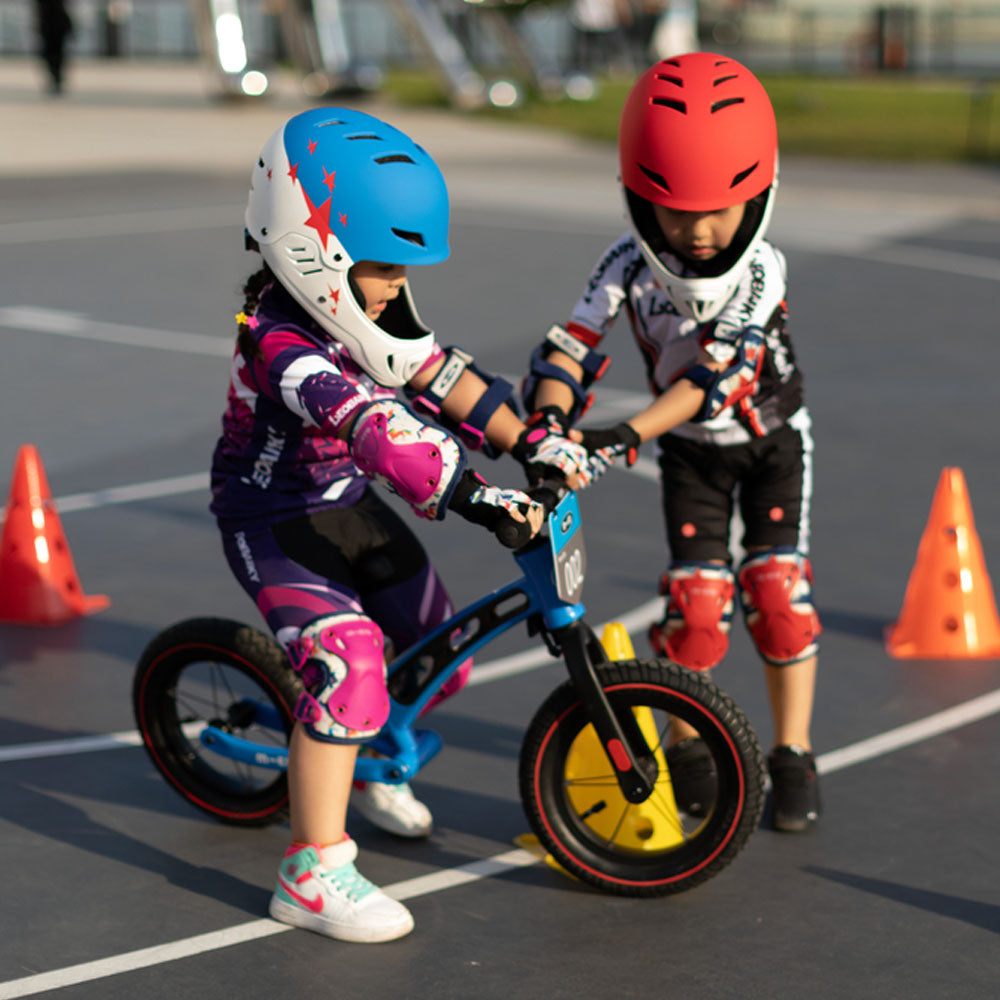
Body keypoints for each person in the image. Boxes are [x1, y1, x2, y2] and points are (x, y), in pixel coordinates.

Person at [210, 108, 592, 943]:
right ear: (315, 254)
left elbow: (440, 375)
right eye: (383, 269)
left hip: (343, 503)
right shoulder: (279, 343)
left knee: (431, 658)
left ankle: (373, 756)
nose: (396, 288)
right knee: (351, 668)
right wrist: (480, 495)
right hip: (272, 516)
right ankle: (312, 869)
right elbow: (373, 426)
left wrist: (532, 439)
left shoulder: (364, 314)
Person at [519, 53, 822, 833]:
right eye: (673, 208)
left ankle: (792, 751)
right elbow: (569, 348)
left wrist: (616, 436)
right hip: (689, 454)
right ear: (635, 197)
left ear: (760, 196)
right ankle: (691, 747)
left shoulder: (762, 270)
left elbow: (712, 382)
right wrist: (550, 426)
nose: (697, 230)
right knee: (695, 609)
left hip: (770, 447)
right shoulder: (626, 263)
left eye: (721, 207)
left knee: (779, 600)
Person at [34, 0, 73, 94]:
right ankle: (56, 79)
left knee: (54, 55)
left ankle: (56, 79)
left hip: (52, 28)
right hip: (52, 28)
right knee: (54, 55)